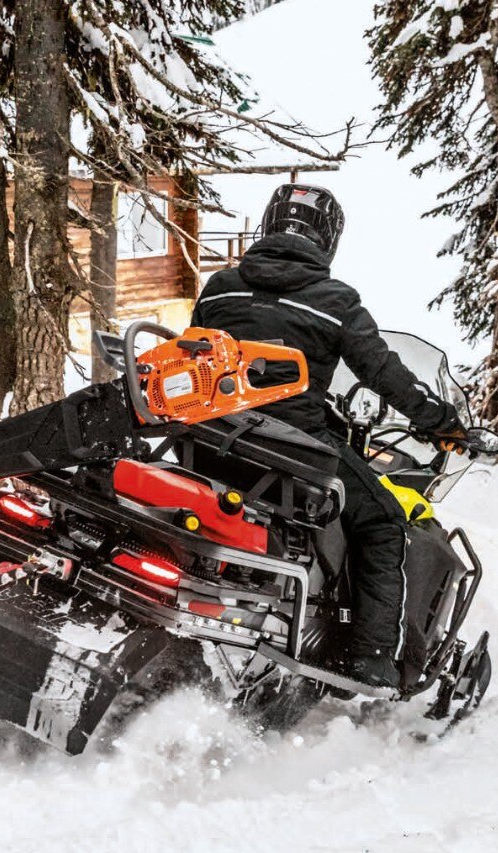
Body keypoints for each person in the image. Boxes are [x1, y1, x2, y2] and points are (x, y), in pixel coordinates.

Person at [190, 184, 467, 687]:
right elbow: (384, 372)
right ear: (329, 238)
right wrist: (440, 418)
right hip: (292, 453)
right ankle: (371, 657)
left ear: (269, 224)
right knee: (384, 521)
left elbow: (195, 356)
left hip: (211, 441)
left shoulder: (220, 287)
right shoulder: (336, 301)